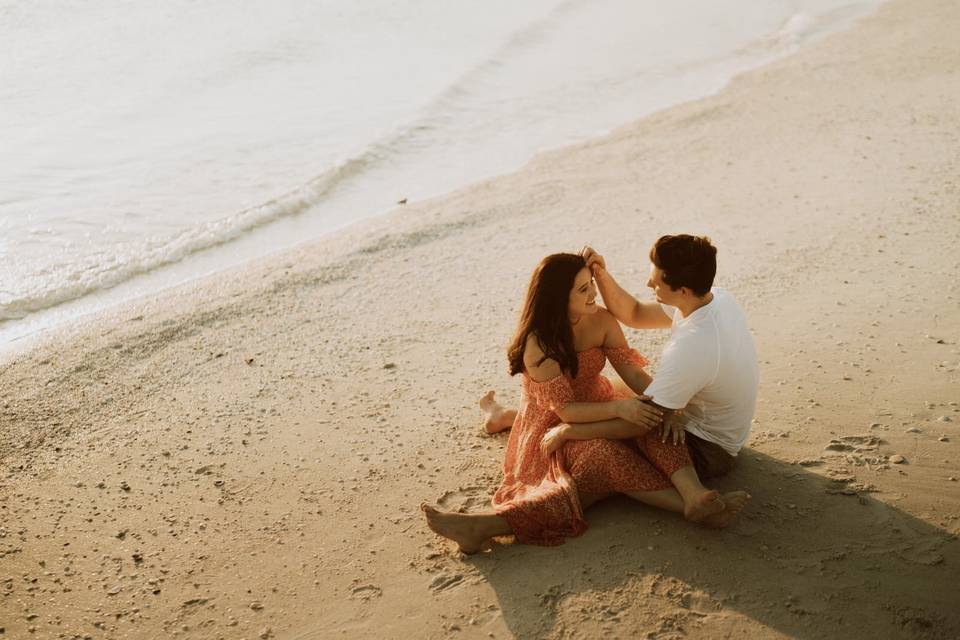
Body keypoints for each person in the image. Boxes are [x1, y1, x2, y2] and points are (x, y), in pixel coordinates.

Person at [422, 252, 748, 554]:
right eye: (582, 290)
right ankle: (691, 508)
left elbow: (633, 374)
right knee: (604, 454)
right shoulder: (539, 344)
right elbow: (565, 411)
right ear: (557, 300)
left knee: (652, 416)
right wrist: (621, 408)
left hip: (601, 400)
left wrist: (669, 406)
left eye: (590, 284)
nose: (593, 293)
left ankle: (694, 495)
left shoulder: (602, 320)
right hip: (556, 421)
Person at [543, 235, 759, 480]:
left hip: (706, 449)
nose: (648, 283)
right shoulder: (716, 298)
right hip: (724, 430)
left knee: (594, 450)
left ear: (683, 291)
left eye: (655, 283)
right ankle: (513, 416)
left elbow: (640, 422)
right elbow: (636, 313)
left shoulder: (692, 345)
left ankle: (691, 496)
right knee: (605, 391)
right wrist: (601, 274)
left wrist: (568, 432)